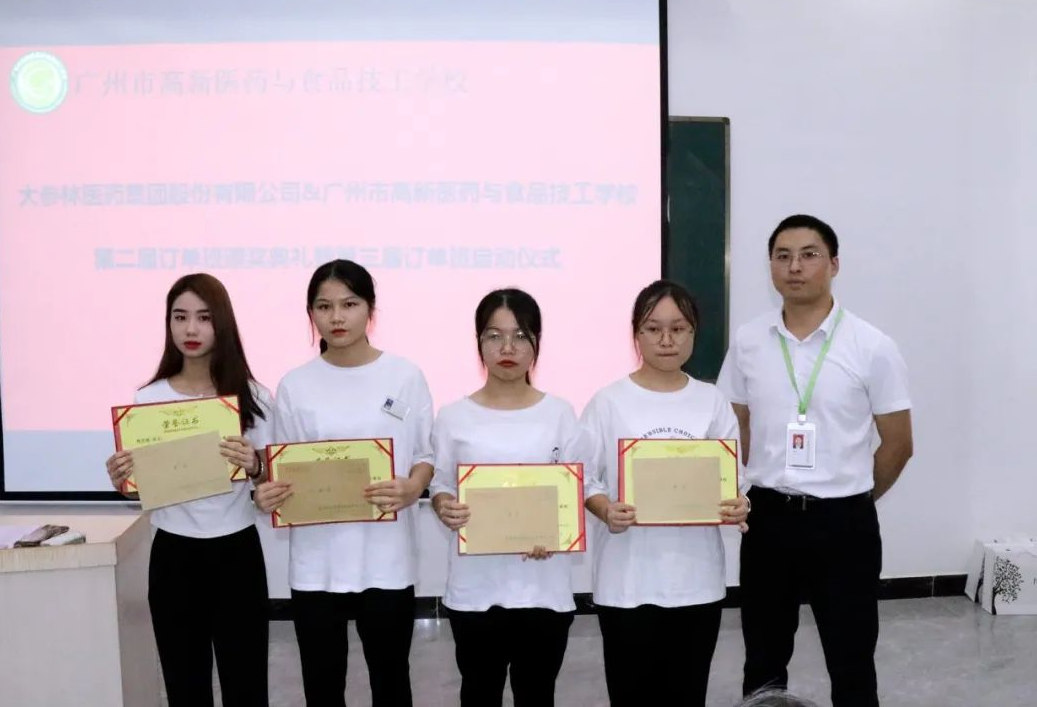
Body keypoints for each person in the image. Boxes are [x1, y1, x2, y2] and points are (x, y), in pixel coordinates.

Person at [717, 214, 913, 707]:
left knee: (851, 661)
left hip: (844, 524)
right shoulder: (748, 341)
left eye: (809, 255)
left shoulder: (872, 345)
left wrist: (853, 495)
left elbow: (898, 443)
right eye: (782, 256)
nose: (794, 267)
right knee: (763, 659)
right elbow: (736, 423)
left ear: (834, 265)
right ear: (770, 266)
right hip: (768, 519)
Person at [253, 259, 434, 707]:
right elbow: (280, 465)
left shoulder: (405, 376)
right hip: (317, 562)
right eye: (324, 306)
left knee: (391, 681)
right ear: (311, 314)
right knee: (322, 685)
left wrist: (413, 487)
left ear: (371, 309)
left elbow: (425, 455)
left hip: (386, 557)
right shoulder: (295, 385)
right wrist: (268, 493)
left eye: (349, 304)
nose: (337, 317)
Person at [577, 279, 749, 707]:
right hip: (626, 583)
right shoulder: (608, 401)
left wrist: (739, 504)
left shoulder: (712, 401)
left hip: (697, 582)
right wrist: (605, 509)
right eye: (653, 329)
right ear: (636, 334)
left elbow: (733, 479)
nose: (666, 340)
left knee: (687, 695)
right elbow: (583, 477)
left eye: (678, 328)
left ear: (694, 333)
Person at [105, 273, 273, 707]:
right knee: (185, 686)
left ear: (222, 323)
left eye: (204, 317)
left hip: (237, 552)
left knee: (246, 685)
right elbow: (141, 490)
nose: (191, 329)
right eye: (180, 317)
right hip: (174, 554)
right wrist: (124, 481)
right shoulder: (147, 400)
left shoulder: (254, 398)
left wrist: (256, 466)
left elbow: (271, 487)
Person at [430, 288, 578, 707]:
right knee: (479, 693)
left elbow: (573, 491)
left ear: (537, 344)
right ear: (478, 343)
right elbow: (441, 484)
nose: (507, 348)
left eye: (520, 336)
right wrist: (444, 506)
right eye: (494, 336)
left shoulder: (561, 414)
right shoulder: (453, 416)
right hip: (476, 589)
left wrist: (558, 531)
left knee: (537, 694)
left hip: (544, 588)